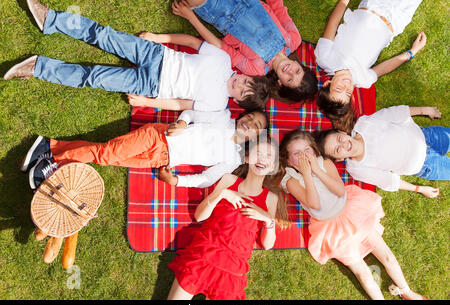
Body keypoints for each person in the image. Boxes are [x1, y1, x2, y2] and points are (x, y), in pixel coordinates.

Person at [4, 0, 270, 112]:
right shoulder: (223, 60)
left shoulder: (216, 104)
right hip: (155, 55)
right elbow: (191, 41)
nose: (241, 85)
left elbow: (179, 105)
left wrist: (147, 102)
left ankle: (39, 67)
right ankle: (51, 20)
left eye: (244, 92)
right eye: (247, 82)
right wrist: (157, 37)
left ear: (237, 101)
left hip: (150, 85)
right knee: (102, 35)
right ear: (247, 75)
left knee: (94, 77)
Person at [278, 129, 428, 300]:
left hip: (353, 213)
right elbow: (314, 203)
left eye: (307, 150)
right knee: (363, 273)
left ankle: (407, 291)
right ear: (289, 161)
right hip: (331, 229)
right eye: (297, 154)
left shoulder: (325, 163)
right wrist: (306, 174)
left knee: (387, 256)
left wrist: (317, 171)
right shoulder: (291, 181)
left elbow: (340, 191)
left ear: (314, 150)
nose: (304, 156)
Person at [21, 108, 269, 190]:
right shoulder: (223, 118)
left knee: (107, 157)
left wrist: (176, 181)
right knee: (105, 154)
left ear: (256, 137)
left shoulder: (233, 160)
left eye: (257, 126)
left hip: (160, 160)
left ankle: (50, 147)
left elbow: (207, 178)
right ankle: (51, 165)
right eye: (251, 117)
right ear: (243, 115)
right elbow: (192, 113)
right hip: (159, 137)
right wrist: (182, 122)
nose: (250, 123)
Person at [167, 137, 289, 300]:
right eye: (257, 153)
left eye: (268, 156)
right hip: (204, 255)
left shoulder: (270, 199)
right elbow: (199, 216)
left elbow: (267, 244)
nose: (262, 159)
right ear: (248, 158)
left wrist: (268, 220)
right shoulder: (229, 180)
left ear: (272, 166)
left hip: (232, 269)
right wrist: (222, 194)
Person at [171, 0, 318, 104]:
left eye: (289, 79)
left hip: (219, 11)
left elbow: (220, 45)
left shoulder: (257, 69)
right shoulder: (293, 39)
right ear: (298, 64)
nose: (290, 72)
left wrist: (190, 17)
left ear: (280, 83)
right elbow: (277, 5)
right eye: (297, 71)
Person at [315, 0, 426, 121]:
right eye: (348, 93)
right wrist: (412, 52)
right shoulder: (362, 80)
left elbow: (333, 22)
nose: (346, 86)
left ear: (327, 84)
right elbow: (384, 68)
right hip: (397, 19)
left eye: (339, 89)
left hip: (372, 5)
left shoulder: (325, 58)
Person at [314, 105, 448, 198]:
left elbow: (395, 113)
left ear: (342, 132)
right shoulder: (357, 169)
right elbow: (389, 181)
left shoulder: (364, 124)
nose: (343, 144)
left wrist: (425, 110)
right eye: (338, 150)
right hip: (426, 166)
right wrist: (420, 189)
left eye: (339, 139)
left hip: (427, 136)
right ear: (339, 159)